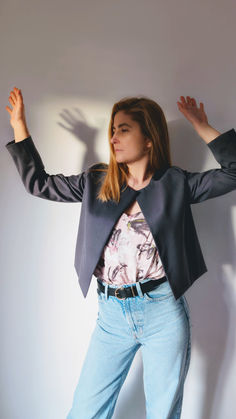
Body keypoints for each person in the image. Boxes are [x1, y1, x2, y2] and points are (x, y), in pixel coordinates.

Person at [5, 87, 236, 419]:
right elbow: (39, 183)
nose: (113, 137)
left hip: (163, 312)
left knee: (162, 412)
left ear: (149, 138)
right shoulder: (97, 181)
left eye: (123, 129)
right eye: (112, 129)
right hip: (111, 316)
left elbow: (233, 172)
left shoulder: (175, 183)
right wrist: (19, 127)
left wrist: (202, 127)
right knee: (85, 411)